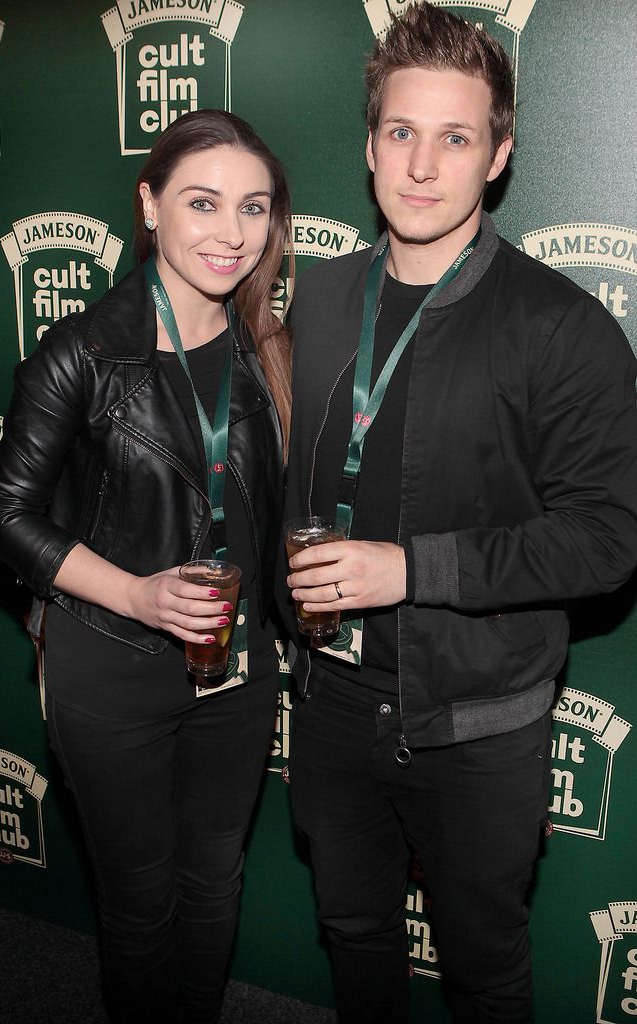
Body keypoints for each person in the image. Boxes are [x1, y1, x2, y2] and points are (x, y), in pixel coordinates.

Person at [281, 4, 637, 1023]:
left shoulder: (560, 327)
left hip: (476, 724)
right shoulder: (316, 298)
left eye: (455, 136)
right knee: (352, 933)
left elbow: (609, 536)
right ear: (368, 144)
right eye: (400, 132)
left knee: (482, 964)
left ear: (499, 155)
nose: (421, 165)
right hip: (333, 699)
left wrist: (410, 569)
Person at [0, 109, 292, 1024]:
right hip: (109, 663)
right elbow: (5, 519)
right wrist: (137, 593)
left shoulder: (270, 346)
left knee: (213, 880)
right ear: (150, 205)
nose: (230, 233)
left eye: (254, 208)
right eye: (203, 203)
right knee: (142, 898)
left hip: (236, 667)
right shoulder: (81, 350)